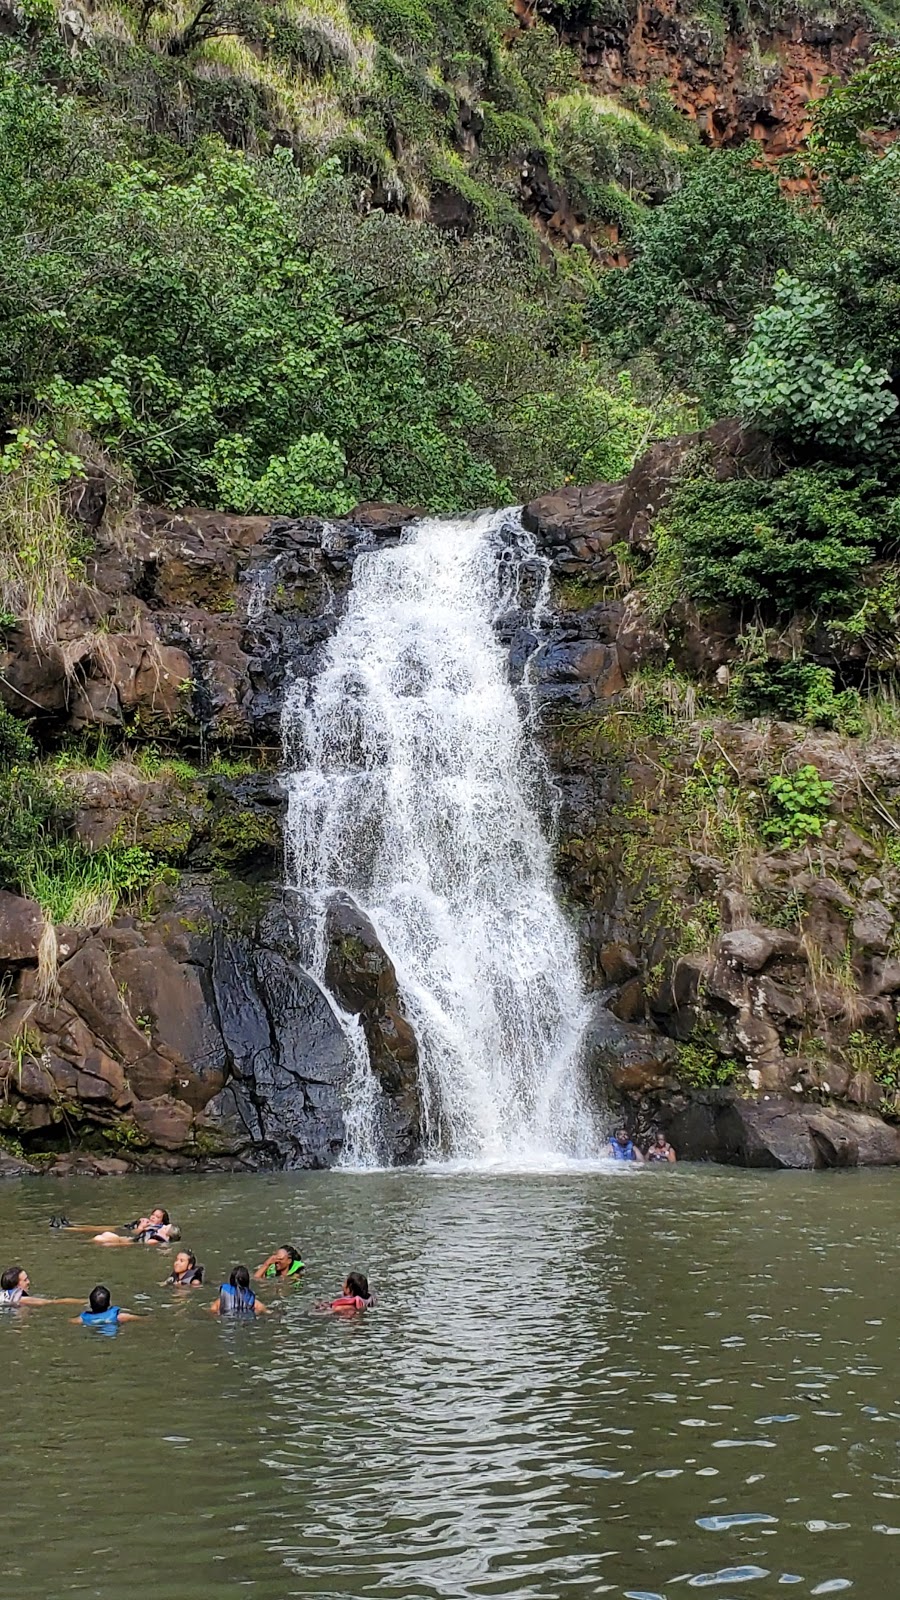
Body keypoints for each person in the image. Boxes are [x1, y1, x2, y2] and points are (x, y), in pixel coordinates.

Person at [0, 1265, 81, 1308]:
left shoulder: (3, 1294)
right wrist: (83, 1302)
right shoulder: (21, 1299)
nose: (28, 1282)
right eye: (25, 1280)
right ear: (16, 1285)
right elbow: (52, 1302)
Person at [92, 1208, 180, 1246]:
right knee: (104, 1234)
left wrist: (141, 1228)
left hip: (126, 1241)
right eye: (153, 1215)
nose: (153, 1217)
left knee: (99, 1238)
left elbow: (145, 1242)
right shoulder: (155, 1232)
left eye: (164, 1228)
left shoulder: (156, 1239)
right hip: (126, 1239)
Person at [73, 1285, 141, 1328]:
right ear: (109, 1303)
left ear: (90, 1305)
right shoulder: (120, 1316)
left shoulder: (81, 1319)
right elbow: (141, 1319)